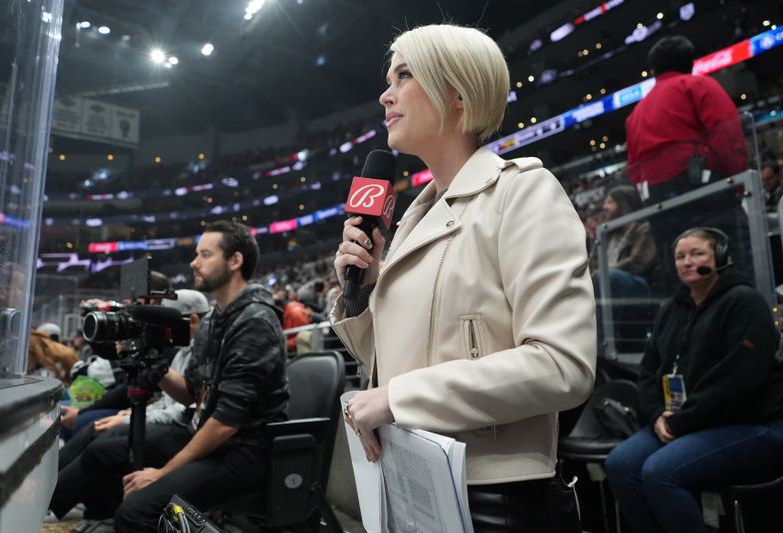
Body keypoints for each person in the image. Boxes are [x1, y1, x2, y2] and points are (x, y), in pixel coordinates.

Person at [330, 24, 596, 532]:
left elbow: (564, 364)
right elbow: (399, 361)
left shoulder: (524, 193)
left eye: (404, 75)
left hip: (494, 497)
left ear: (457, 91)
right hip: (411, 479)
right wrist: (363, 291)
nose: (385, 94)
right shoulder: (410, 218)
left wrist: (398, 397)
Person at [49, 220, 289, 533]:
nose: (194, 262)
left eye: (204, 254)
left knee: (137, 512)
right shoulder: (215, 318)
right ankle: (51, 504)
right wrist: (159, 370)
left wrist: (162, 473)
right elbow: (191, 393)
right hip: (208, 434)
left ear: (235, 261)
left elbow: (227, 421)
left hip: (244, 450)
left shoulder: (255, 321)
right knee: (104, 450)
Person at [604, 227, 783, 533]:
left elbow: (739, 381)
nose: (687, 262)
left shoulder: (744, 301)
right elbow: (649, 372)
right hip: (686, 422)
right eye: (680, 256)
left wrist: (679, 423)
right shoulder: (671, 309)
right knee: (620, 464)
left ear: (721, 257)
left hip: (753, 423)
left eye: (697, 253)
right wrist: (656, 415)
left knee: (660, 471)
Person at [625, 35, 749, 286]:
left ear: (653, 69)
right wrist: (737, 182)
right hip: (704, 191)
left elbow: (634, 168)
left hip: (660, 204)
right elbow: (727, 137)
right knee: (733, 264)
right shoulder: (697, 85)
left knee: (679, 279)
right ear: (690, 62)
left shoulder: (636, 113)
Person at [56, 289, 210, 471]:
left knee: (95, 439)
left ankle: (53, 488)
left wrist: (124, 419)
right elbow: (166, 402)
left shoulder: (188, 353)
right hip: (152, 414)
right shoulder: (181, 354)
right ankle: (53, 480)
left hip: (177, 428)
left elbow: (184, 407)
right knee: (90, 431)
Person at [590, 185, 657, 350]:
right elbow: (592, 264)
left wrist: (602, 274)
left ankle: (602, 343)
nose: (605, 207)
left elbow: (639, 263)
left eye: (610, 202)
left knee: (607, 277)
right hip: (606, 284)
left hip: (638, 286)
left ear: (624, 206)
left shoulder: (644, 229)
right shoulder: (605, 234)